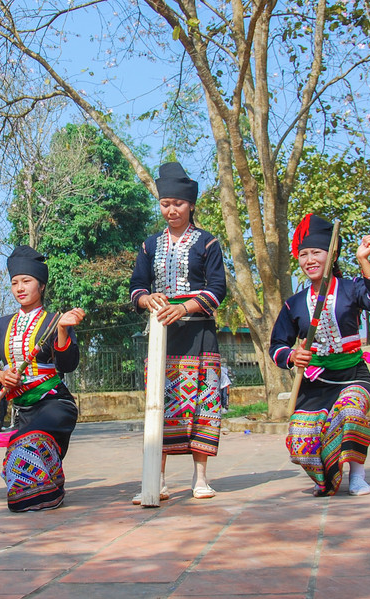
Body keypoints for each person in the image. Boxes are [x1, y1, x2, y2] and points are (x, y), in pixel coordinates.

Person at [269, 214, 370, 497]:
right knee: (300, 437)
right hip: (317, 383)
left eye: (317, 253)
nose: (310, 259)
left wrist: (364, 260)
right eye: (303, 254)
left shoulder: (351, 288)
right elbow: (276, 346)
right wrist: (292, 356)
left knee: (349, 412)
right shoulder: (295, 304)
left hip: (353, 377)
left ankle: (357, 475)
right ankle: (325, 475)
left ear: (332, 253)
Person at [129, 162, 227, 502]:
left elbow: (217, 289)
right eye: (165, 204)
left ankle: (200, 478)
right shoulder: (150, 244)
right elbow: (136, 286)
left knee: (202, 403)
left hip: (199, 335)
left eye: (178, 204)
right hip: (162, 337)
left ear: (191, 205)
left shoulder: (208, 243)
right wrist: (147, 299)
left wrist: (184, 307)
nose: (171, 210)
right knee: (160, 404)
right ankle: (156, 480)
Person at [0, 246, 84, 511]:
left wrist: (62, 330)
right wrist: (1, 375)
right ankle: (50, 485)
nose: (20, 288)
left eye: (27, 281)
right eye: (15, 283)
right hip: (21, 407)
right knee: (21, 450)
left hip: (54, 403)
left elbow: (68, 364)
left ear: (41, 285)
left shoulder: (54, 321)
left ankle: (46, 493)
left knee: (25, 444)